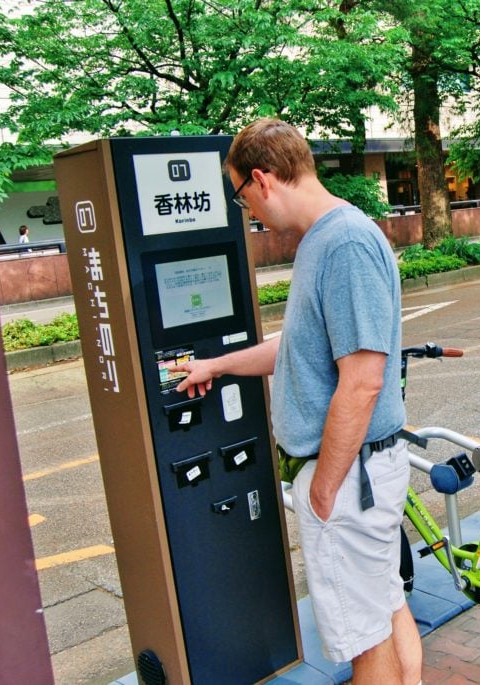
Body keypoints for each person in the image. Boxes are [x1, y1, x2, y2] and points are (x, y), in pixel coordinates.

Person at [171, 118, 422, 685]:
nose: (250, 213)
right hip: (359, 471)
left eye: (242, 197)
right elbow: (302, 347)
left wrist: (324, 488)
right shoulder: (327, 239)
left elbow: (362, 380)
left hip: (348, 476)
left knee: (365, 640)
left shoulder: (345, 243)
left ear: (261, 179)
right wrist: (218, 364)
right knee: (384, 609)